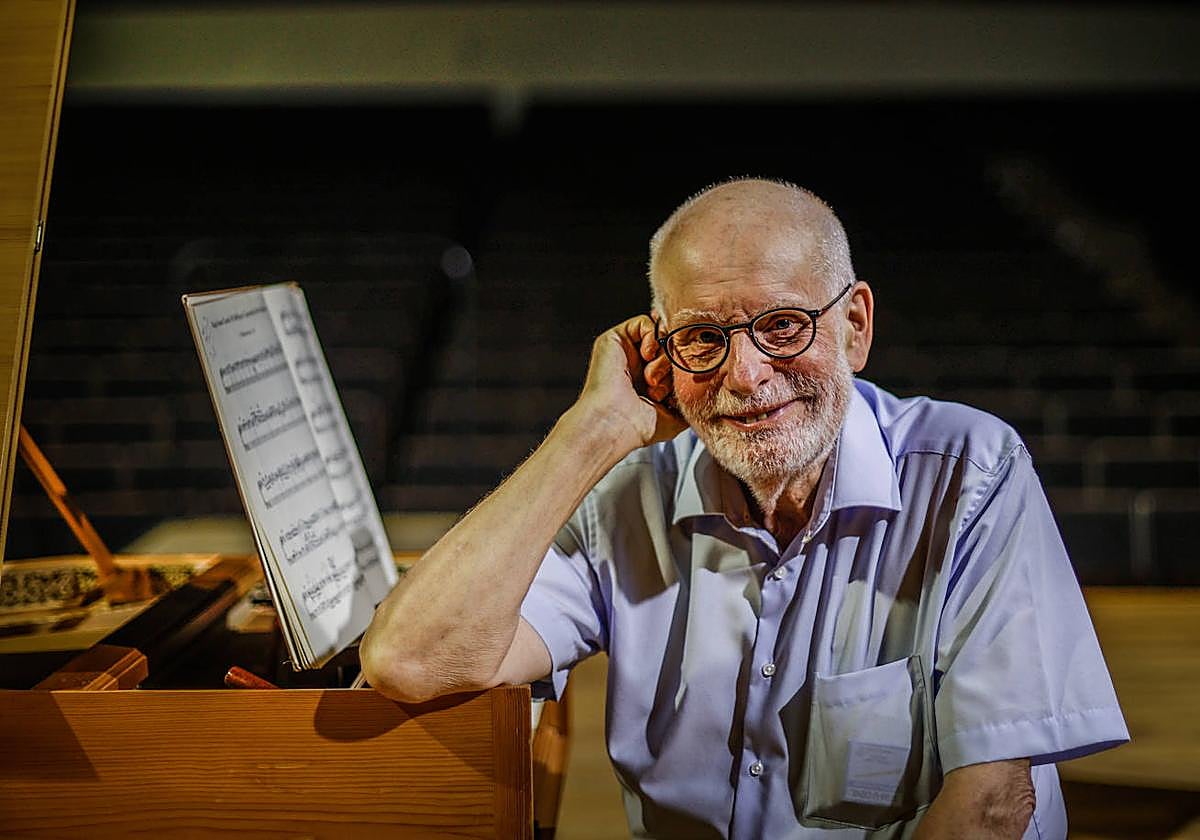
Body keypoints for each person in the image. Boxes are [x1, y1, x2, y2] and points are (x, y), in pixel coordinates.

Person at [360, 178, 1129, 839]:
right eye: (702, 338)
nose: (747, 375)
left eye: (783, 325)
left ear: (854, 326)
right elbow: (412, 660)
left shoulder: (972, 473)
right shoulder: (630, 495)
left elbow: (991, 805)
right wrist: (590, 432)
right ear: (662, 355)